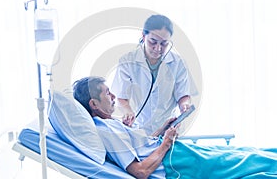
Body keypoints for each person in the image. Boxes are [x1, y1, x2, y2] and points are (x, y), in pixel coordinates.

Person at [73, 76, 277, 179]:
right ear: (94, 104)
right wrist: (167, 142)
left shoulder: (110, 124)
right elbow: (141, 171)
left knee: (242, 153)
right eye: (107, 93)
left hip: (175, 154)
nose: (114, 97)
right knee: (246, 161)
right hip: (174, 163)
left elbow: (144, 148)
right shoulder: (105, 131)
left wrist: (162, 130)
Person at [111, 14, 197, 135]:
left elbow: (183, 95)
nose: (158, 48)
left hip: (168, 127)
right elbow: (121, 97)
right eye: (153, 42)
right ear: (143, 36)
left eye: (164, 43)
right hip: (140, 128)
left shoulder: (177, 63)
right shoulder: (128, 61)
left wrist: (185, 105)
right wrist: (128, 111)